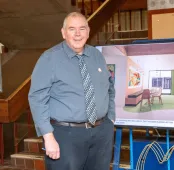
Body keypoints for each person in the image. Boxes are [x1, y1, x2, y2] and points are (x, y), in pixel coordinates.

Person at [28, 12, 115, 170]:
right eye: (72, 29)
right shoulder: (49, 59)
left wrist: (111, 119)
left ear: (88, 31)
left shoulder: (97, 55)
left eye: (82, 28)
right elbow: (37, 99)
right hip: (65, 135)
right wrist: (48, 137)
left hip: (101, 133)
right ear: (63, 32)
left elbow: (109, 88)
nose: (77, 34)